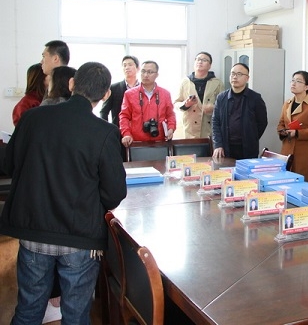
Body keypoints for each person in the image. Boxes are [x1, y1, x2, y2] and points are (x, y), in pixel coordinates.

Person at [0, 62, 127, 324]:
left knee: (28, 309)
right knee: (76, 315)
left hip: (33, 232)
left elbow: (9, 165)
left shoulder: (32, 118)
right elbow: (114, 193)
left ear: (71, 84)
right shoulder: (105, 132)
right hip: (80, 238)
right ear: (105, 95)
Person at [212, 63, 268, 160]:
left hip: (247, 149)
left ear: (247, 78)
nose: (235, 77)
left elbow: (262, 122)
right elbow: (215, 122)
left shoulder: (255, 98)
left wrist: (251, 138)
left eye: (239, 74)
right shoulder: (221, 98)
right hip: (225, 148)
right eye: (233, 74)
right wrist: (218, 145)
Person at [277, 71, 308, 180]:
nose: (293, 83)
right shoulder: (287, 103)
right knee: (283, 181)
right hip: (287, 150)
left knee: (299, 182)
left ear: (306, 87)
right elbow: (281, 123)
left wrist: (297, 133)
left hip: (304, 154)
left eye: (298, 81)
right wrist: (282, 131)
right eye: (292, 80)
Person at [119, 60, 176, 146]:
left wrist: (171, 128)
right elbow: (124, 116)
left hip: (160, 141)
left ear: (157, 75)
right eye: (143, 71)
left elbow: (170, 115)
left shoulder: (165, 94)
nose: (146, 75)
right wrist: (126, 133)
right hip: (136, 142)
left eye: (150, 72)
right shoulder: (129, 94)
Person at [173, 51, 224, 138]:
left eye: (204, 60)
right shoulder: (185, 82)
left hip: (209, 128)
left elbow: (224, 105)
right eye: (198, 59)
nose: (200, 62)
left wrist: (213, 107)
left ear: (210, 65)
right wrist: (186, 104)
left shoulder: (217, 83)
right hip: (190, 129)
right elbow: (176, 104)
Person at [100, 55, 140, 126]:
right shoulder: (113, 88)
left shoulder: (143, 89)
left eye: (130, 65)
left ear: (138, 68)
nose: (127, 67)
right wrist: (106, 129)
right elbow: (104, 111)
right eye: (124, 65)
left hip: (138, 129)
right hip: (119, 129)